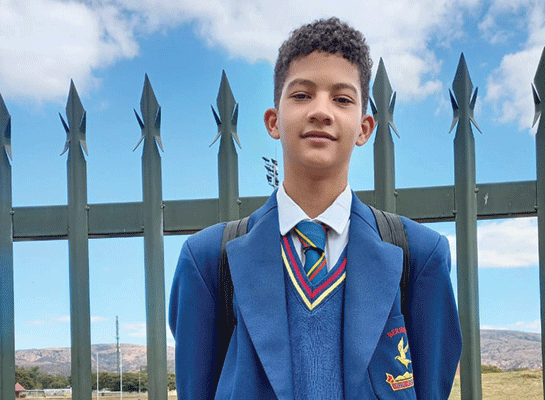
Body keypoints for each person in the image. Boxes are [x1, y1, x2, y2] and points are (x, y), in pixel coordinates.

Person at [169, 17, 461, 400]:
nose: (321, 111)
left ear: (364, 128)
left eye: (342, 99)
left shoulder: (418, 257)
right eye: (302, 95)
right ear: (273, 121)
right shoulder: (209, 262)